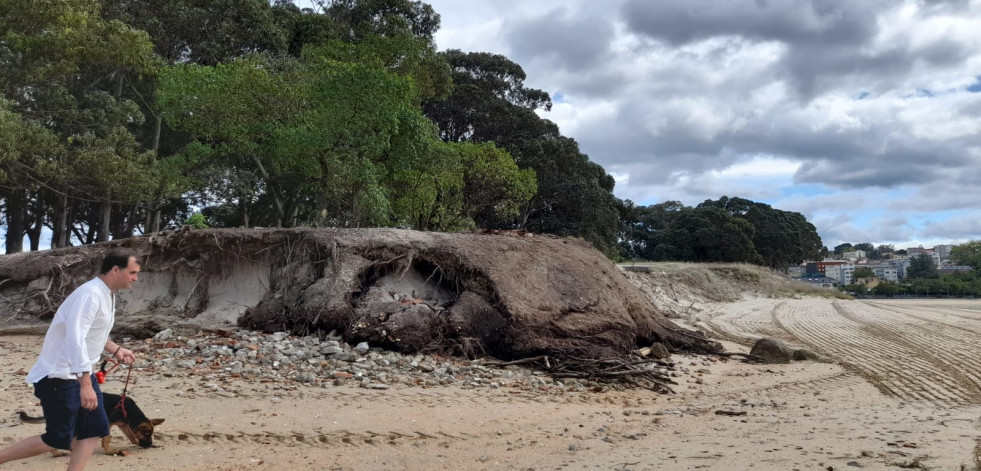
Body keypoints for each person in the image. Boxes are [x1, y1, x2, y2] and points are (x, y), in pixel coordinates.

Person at [0, 247, 140, 470]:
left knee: (94, 430)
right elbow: (75, 338)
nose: (135, 278)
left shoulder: (107, 293)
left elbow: (92, 332)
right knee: (59, 438)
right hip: (59, 375)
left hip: (80, 373)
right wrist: (85, 384)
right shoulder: (90, 294)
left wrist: (115, 349)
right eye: (132, 272)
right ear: (115, 269)